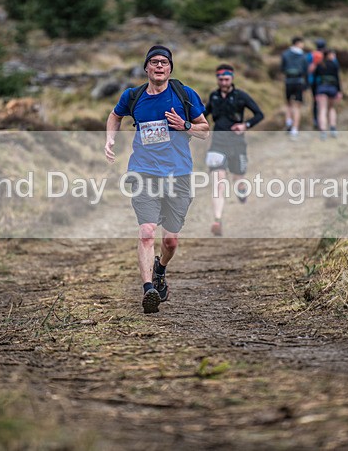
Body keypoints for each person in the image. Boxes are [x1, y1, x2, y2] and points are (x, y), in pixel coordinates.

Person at [105, 45, 210, 314]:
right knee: (147, 231)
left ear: (170, 68)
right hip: (144, 172)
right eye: (154, 62)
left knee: (170, 241)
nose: (159, 66)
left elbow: (205, 130)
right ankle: (148, 289)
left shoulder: (184, 94)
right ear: (146, 68)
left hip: (178, 174)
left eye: (164, 62)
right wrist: (110, 139)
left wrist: (185, 125)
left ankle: (160, 268)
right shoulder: (133, 96)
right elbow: (115, 115)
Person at [203, 64, 264, 237]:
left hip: (237, 144)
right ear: (217, 79)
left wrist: (246, 125)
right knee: (218, 183)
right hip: (217, 144)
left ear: (232, 78)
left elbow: (259, 114)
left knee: (238, 180)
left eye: (226, 79)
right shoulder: (214, 96)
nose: (223, 82)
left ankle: (241, 190)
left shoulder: (241, 96)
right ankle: (217, 220)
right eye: (221, 79)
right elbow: (203, 115)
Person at [312, 49, 344, 140]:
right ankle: (333, 128)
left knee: (322, 110)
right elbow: (337, 79)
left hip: (321, 88)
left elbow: (314, 80)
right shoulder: (334, 65)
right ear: (329, 55)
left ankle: (323, 131)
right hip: (332, 88)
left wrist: (314, 93)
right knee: (331, 108)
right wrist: (339, 91)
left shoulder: (319, 65)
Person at [280, 36, 308, 139]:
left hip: (288, 81)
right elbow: (305, 71)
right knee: (297, 106)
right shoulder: (303, 55)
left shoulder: (285, 54)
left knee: (288, 103)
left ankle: (288, 121)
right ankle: (295, 129)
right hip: (299, 81)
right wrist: (307, 85)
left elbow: (282, 68)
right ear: (298, 43)